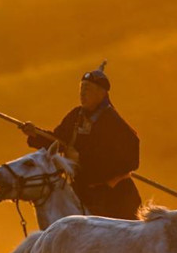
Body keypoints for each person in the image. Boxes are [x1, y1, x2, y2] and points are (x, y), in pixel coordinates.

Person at [20, 63, 142, 220]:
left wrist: (81, 159)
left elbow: (131, 161)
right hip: (83, 192)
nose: (82, 94)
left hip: (114, 199)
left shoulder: (113, 123)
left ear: (102, 94)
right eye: (81, 89)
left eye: (88, 89)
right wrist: (36, 134)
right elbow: (58, 140)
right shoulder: (76, 116)